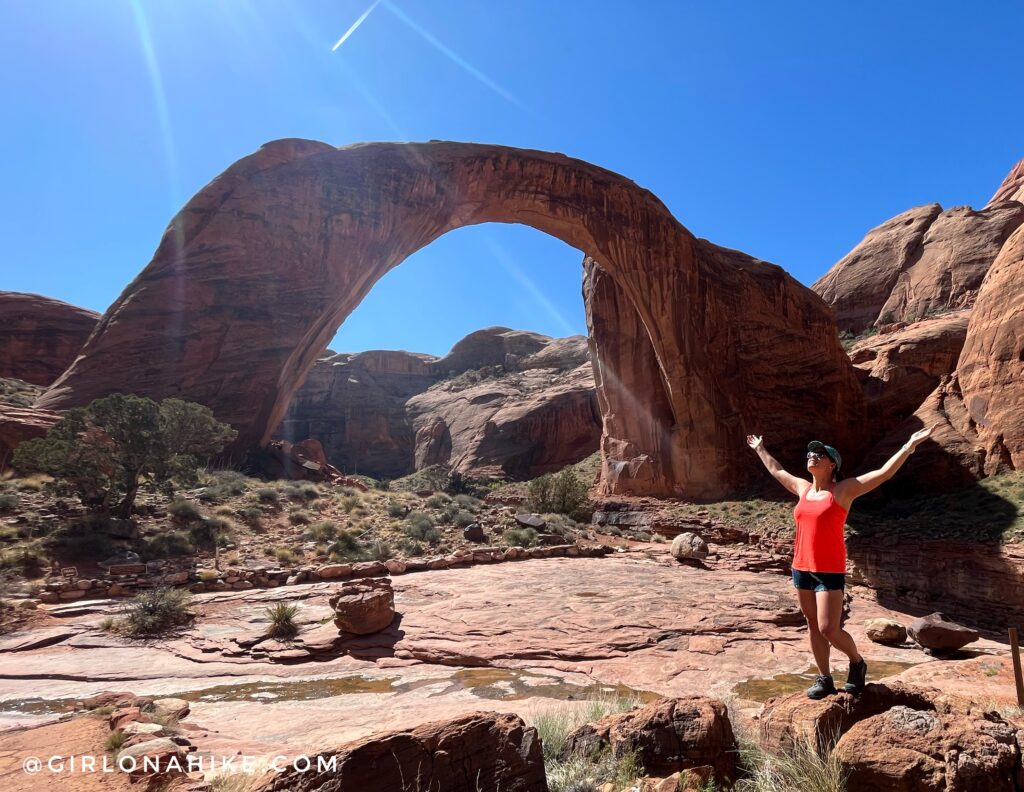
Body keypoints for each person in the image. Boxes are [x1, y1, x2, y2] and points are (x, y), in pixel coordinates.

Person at [746, 426, 934, 698]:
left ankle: (857, 662)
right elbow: (777, 471)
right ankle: (824, 678)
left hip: (829, 571)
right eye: (810, 452)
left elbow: (883, 474)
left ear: (832, 464)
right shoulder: (804, 488)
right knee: (812, 625)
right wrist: (760, 449)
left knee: (828, 628)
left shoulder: (843, 490)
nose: (812, 455)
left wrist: (909, 445)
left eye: (819, 454)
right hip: (801, 568)